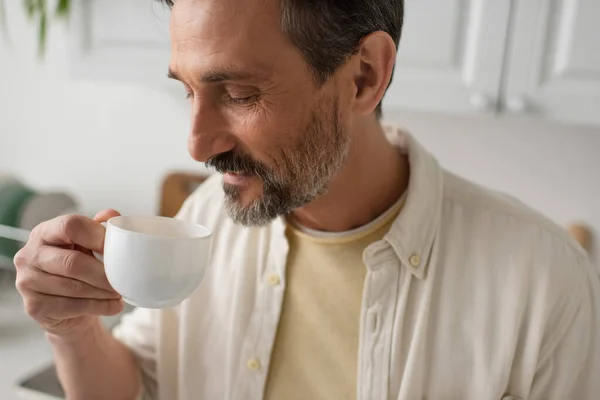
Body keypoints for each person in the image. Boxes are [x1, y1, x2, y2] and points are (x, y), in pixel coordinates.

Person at [13, 0, 600, 399]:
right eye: (188, 90)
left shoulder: (543, 283)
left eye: (239, 92)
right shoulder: (202, 221)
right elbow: (143, 382)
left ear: (365, 76)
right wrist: (72, 329)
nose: (196, 145)